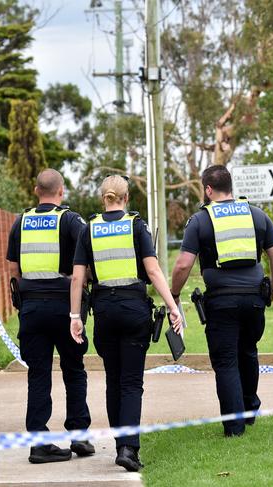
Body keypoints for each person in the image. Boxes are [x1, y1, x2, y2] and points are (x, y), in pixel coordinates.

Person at [69, 175, 182, 472]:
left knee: (113, 380)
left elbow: (79, 277)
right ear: (126, 197)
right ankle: (128, 449)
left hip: (104, 309)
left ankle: (121, 444)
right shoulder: (136, 225)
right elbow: (154, 271)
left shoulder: (89, 228)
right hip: (133, 308)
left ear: (103, 198)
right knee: (132, 382)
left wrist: (75, 316)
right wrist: (173, 307)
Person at [171, 165, 273, 437]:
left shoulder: (200, 220)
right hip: (256, 299)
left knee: (226, 362)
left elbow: (183, 265)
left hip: (221, 302)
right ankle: (250, 410)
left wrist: (174, 294)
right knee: (248, 351)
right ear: (230, 187)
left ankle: (235, 428)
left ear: (208, 190)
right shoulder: (256, 214)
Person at [6, 168, 94, 464]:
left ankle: (39, 444)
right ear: (61, 191)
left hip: (31, 308)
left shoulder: (21, 221)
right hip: (64, 307)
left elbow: (13, 269)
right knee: (74, 369)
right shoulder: (70, 220)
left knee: (38, 374)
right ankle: (79, 435)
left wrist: (23, 302)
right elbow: (86, 263)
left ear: (35, 190)